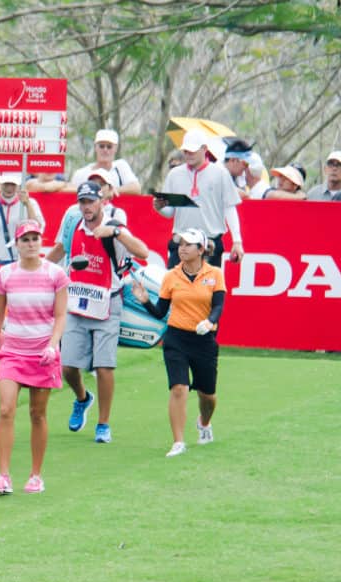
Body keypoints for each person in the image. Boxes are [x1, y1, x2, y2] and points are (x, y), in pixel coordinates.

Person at [48, 181, 149, 444]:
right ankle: (82, 398)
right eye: (82, 202)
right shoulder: (73, 225)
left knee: (104, 368)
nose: (86, 207)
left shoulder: (115, 224)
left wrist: (115, 234)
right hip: (76, 301)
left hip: (107, 302)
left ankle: (103, 424)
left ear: (101, 201)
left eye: (91, 201)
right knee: (68, 367)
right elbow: (61, 252)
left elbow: (142, 251)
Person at [0, 221, 69, 494]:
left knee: (37, 413)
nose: (31, 243)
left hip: (43, 352)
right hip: (12, 351)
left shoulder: (55, 274)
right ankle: (3, 476)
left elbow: (60, 315)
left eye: (35, 238)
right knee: (6, 409)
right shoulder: (5, 274)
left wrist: (53, 345)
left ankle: (35, 475)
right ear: (17, 245)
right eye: (25, 239)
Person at [130, 229, 226, 458]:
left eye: (188, 245)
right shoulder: (171, 276)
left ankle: (204, 423)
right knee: (179, 388)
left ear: (201, 250)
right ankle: (178, 442)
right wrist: (145, 301)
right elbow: (161, 311)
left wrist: (209, 321)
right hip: (176, 338)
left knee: (208, 395)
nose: (182, 248)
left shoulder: (214, 274)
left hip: (204, 340)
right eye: (180, 244)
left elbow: (218, 306)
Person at [154, 129, 244, 268]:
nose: (188, 155)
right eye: (186, 151)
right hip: (181, 242)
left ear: (204, 149)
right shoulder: (175, 174)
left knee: (207, 288)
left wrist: (237, 241)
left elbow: (229, 207)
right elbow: (170, 212)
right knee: (175, 288)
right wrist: (159, 207)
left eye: (192, 151)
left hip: (209, 242)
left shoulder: (220, 174)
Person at [68, 129, 142, 195]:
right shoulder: (81, 173)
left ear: (116, 148)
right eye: (101, 146)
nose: (105, 150)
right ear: (95, 147)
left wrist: (112, 191)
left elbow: (136, 188)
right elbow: (70, 192)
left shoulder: (120, 166)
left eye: (109, 146)